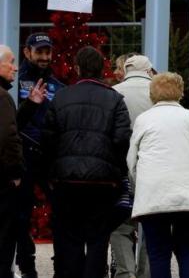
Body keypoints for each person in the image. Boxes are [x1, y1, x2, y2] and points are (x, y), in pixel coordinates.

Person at [42, 46, 132, 278]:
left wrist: (51, 173)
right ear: (102, 68)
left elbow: (48, 139)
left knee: (68, 240)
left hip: (66, 181)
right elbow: (123, 139)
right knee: (97, 241)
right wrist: (116, 171)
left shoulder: (61, 97)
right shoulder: (115, 99)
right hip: (103, 182)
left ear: (78, 68)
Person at [127, 72, 189, 278]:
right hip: (185, 196)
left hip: (153, 195)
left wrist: (139, 185)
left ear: (152, 94)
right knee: (188, 251)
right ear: (180, 93)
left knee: (158, 254)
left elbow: (131, 161)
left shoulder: (143, 120)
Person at [16, 33, 64, 278]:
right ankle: (27, 268)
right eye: (39, 52)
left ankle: (61, 268)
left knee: (61, 213)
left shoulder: (57, 85)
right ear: (27, 52)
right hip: (23, 157)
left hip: (50, 158)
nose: (45, 57)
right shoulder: (15, 83)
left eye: (48, 52)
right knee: (20, 216)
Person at [0, 45, 45, 278]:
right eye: (11, 61)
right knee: (5, 237)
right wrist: (15, 173)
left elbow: (10, 126)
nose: (15, 67)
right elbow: (9, 137)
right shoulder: (3, 96)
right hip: (3, 181)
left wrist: (29, 105)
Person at [110, 55, 155, 278]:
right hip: (152, 171)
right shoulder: (158, 93)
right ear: (149, 71)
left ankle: (124, 273)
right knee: (150, 227)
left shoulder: (115, 92)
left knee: (120, 226)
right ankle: (145, 274)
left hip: (122, 170)